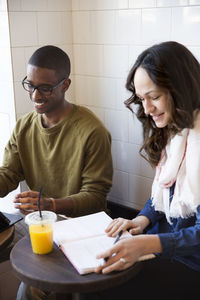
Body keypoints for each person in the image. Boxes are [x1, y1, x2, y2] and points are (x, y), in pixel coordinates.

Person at [82, 41, 200, 299]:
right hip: (163, 248)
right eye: (141, 98)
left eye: (154, 97)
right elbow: (166, 194)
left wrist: (150, 243)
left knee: (99, 288)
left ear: (181, 88)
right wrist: (141, 220)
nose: (146, 109)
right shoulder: (177, 131)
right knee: (93, 278)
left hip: (190, 264)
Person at [0, 45, 113, 299]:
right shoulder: (24, 127)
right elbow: (7, 173)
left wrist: (50, 204)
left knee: (37, 292)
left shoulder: (92, 131)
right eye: (30, 85)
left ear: (66, 84)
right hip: (46, 230)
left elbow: (96, 197)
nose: (35, 95)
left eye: (45, 88)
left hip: (87, 231)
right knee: (29, 290)